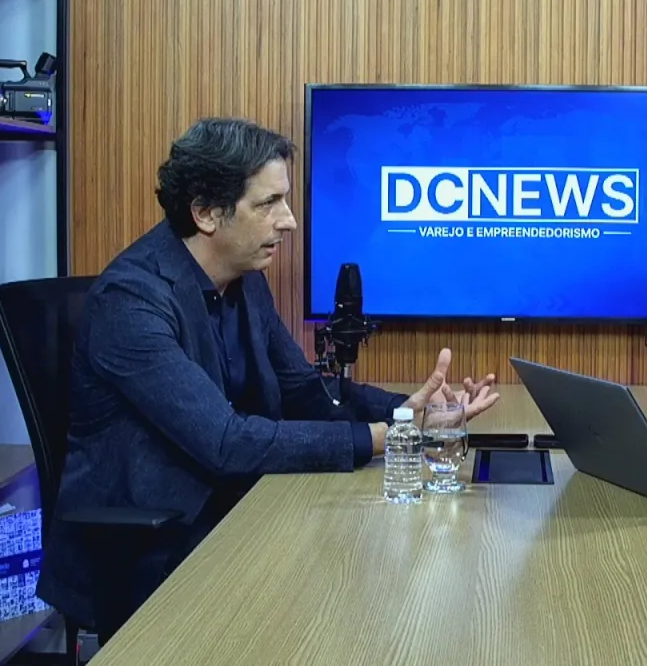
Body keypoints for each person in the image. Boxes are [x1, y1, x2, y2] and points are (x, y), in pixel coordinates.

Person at [37, 117, 501, 640]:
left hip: (243, 509)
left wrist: (409, 412)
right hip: (159, 546)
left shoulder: (245, 280)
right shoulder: (130, 301)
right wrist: (385, 438)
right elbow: (225, 442)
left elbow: (304, 389)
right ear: (206, 213)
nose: (290, 221)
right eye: (268, 203)